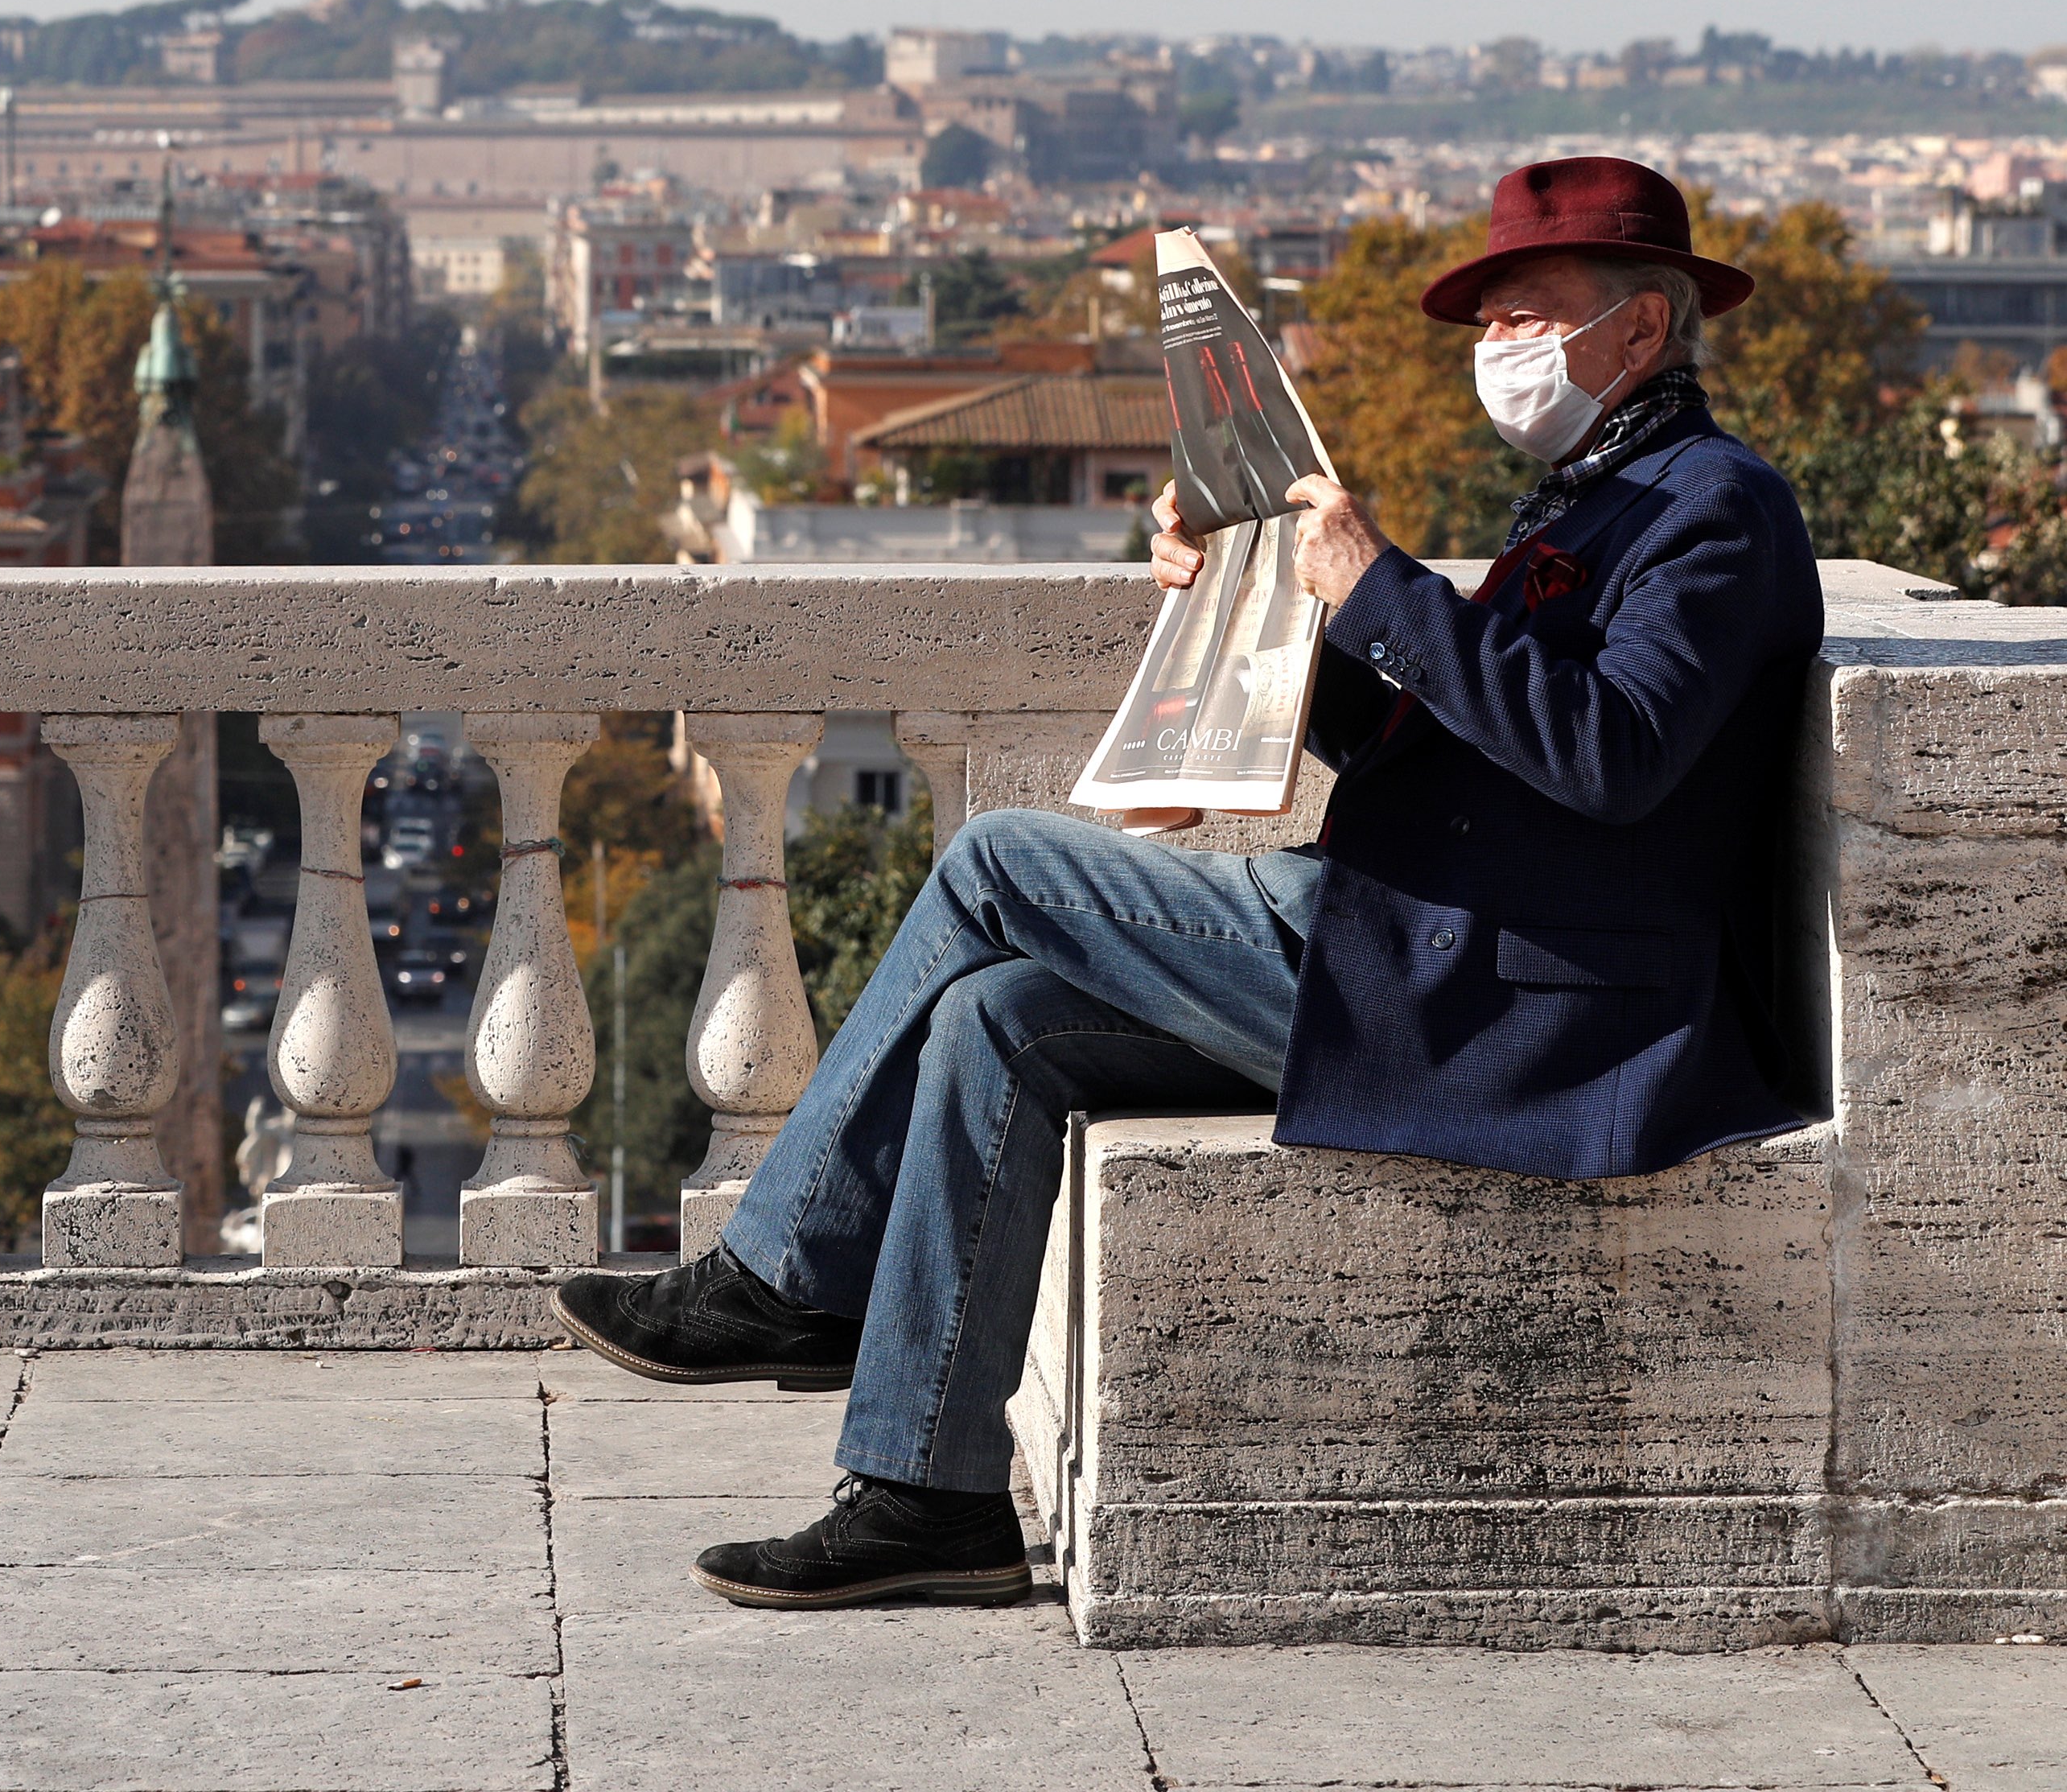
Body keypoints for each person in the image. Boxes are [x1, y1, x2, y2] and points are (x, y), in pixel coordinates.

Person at [555, 155, 1823, 1609]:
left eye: (1522, 317)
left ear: (1643, 331)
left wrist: (1384, 586)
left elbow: (1613, 754)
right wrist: (1274, 605)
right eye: (1483, 326)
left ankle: (782, 1275)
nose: (1495, 353)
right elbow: (1455, 749)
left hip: (1518, 997)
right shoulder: (1590, 495)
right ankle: (926, 1494)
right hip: (1425, 943)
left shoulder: (1715, 505)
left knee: (996, 862)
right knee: (1003, 1023)